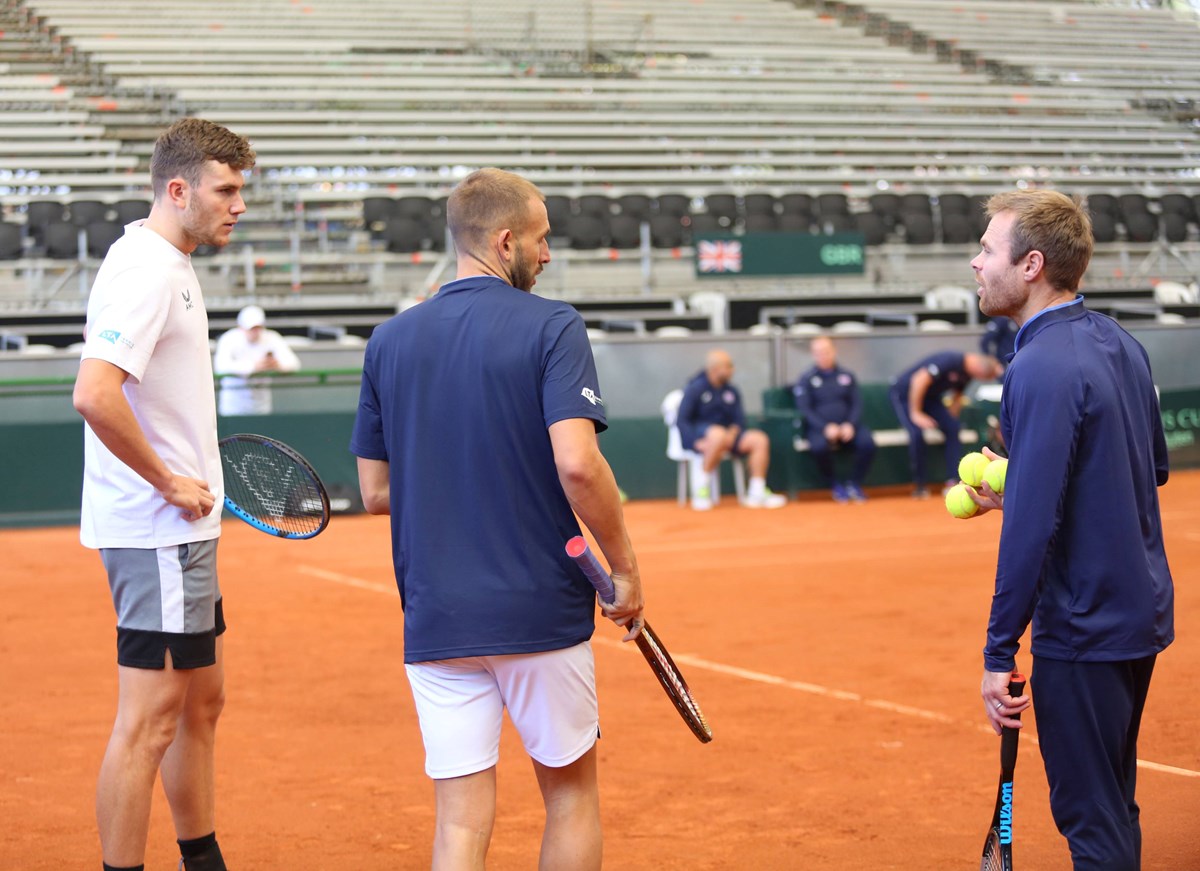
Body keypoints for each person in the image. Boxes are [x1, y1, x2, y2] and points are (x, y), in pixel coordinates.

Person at [350, 167, 644, 871]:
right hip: (538, 607)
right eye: (540, 241)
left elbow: (375, 491)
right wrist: (626, 564)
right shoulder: (553, 324)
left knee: (458, 822)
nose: (547, 255)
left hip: (437, 616)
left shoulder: (388, 342)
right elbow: (578, 464)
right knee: (570, 795)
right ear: (506, 239)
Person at [967, 190, 1174, 870]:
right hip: (1137, 615)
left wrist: (999, 649)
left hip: (1082, 625)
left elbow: (1032, 529)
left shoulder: (1036, 365)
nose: (975, 262)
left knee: (1089, 819)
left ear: (1031, 265)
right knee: (1114, 805)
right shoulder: (1123, 342)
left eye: (987, 250)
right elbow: (1146, 469)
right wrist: (1024, 480)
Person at [72, 119, 255, 871]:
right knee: (149, 720)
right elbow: (95, 393)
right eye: (228, 189)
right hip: (159, 535)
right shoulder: (146, 268)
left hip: (181, 535)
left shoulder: (168, 260)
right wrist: (167, 480)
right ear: (178, 190)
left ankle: (200, 855)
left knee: (200, 700)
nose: (239, 204)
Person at [676, 349, 787, 510]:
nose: (732, 370)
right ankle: (702, 490)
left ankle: (757, 491)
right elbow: (682, 420)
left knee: (759, 439)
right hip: (705, 437)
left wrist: (732, 434)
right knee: (717, 435)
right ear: (715, 369)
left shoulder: (732, 390)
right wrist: (694, 443)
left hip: (731, 437)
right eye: (728, 366)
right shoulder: (694, 388)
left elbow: (739, 420)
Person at [887, 350, 1003, 497]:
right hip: (905, 394)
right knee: (916, 433)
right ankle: (920, 485)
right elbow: (919, 380)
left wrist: (948, 421)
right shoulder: (950, 360)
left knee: (953, 428)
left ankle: (952, 481)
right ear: (979, 370)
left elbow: (957, 397)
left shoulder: (967, 375)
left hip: (930, 399)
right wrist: (916, 413)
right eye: (985, 376)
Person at [792, 334, 876, 503]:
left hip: (848, 426)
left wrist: (850, 425)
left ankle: (854, 483)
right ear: (813, 354)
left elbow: (856, 403)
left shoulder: (847, 375)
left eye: (826, 351)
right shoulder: (806, 378)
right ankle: (834, 485)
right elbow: (805, 408)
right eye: (818, 352)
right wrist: (825, 427)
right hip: (819, 428)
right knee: (819, 447)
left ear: (833, 351)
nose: (823, 355)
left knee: (867, 443)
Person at [212, 304, 301, 415]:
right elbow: (221, 367)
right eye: (251, 328)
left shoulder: (272, 337)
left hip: (262, 408)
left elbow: (294, 363)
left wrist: (277, 365)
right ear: (240, 327)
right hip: (233, 408)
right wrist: (253, 367)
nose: (255, 332)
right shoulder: (229, 339)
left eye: (258, 328)